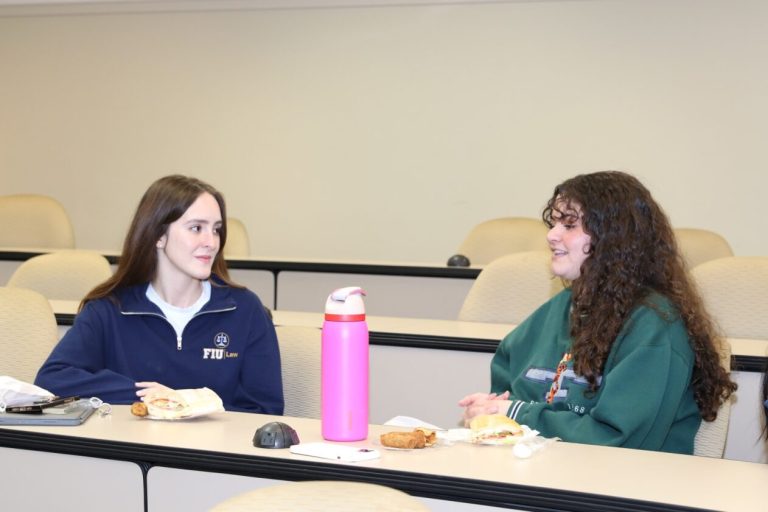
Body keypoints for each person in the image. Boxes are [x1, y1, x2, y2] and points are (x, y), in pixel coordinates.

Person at [459, 171, 736, 454]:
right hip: (545, 475)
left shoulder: (656, 326)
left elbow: (616, 440)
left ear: (614, 237)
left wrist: (517, 414)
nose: (552, 235)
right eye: (554, 223)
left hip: (626, 488)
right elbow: (510, 387)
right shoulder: (560, 309)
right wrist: (491, 412)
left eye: (569, 224)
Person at [35, 175, 284, 414]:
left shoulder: (245, 310)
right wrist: (143, 395)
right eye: (196, 228)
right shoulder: (110, 308)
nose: (212, 242)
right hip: (132, 454)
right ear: (158, 236)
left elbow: (264, 410)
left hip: (211, 455)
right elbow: (53, 379)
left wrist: (184, 402)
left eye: (216, 229)